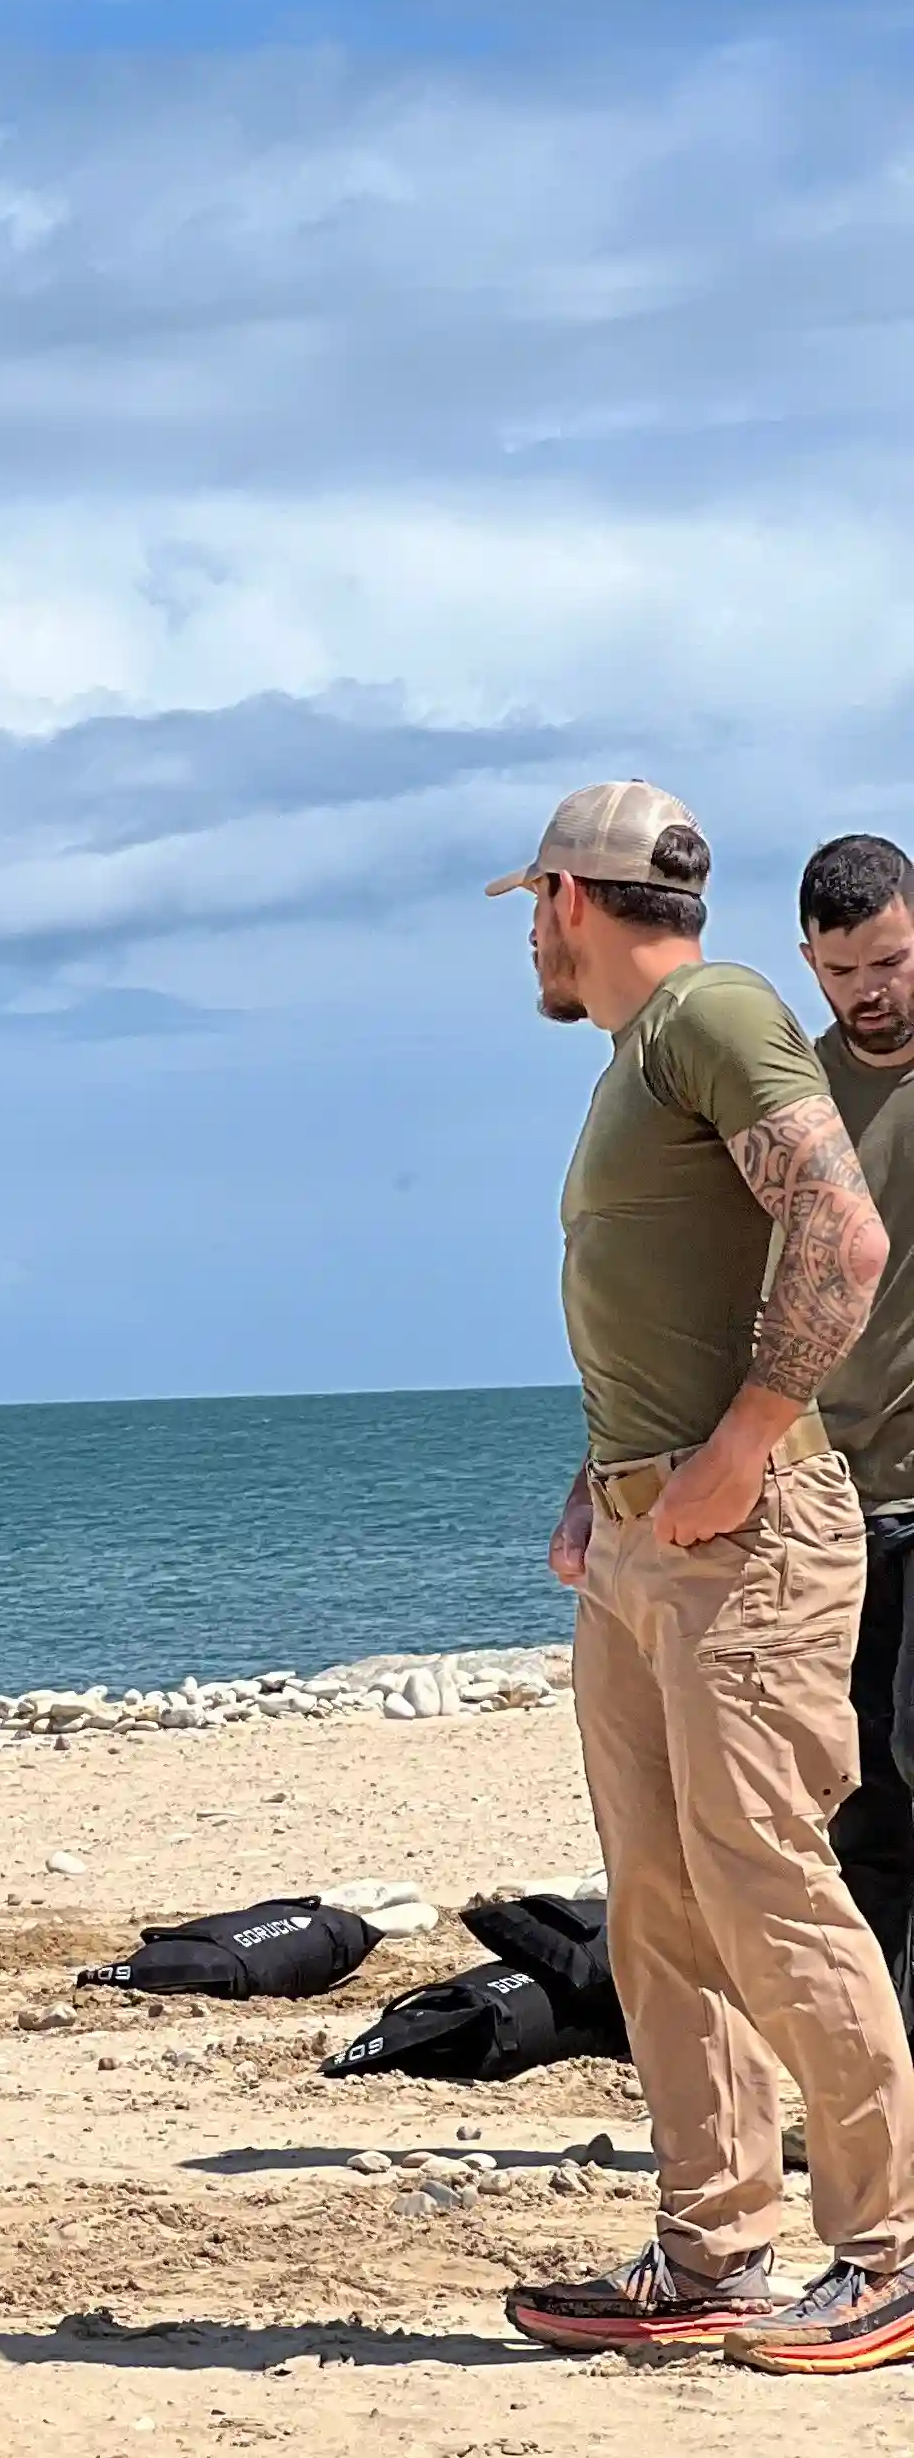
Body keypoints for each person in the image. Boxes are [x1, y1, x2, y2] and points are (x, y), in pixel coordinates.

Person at [488, 784, 914, 2374]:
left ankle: (890, 2248)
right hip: (649, 1539)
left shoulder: (712, 1012)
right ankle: (711, 2244)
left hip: (752, 1540)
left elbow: (841, 1228)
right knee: (658, 1901)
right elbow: (674, 1304)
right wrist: (601, 1490)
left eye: (533, 903)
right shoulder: (636, 1063)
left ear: (570, 898)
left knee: (766, 1883)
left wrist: (749, 1435)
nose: (529, 934)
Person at [796, 834, 914, 1998]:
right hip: (840, 1498)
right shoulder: (802, 1094)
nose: (870, 993)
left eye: (890, 962)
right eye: (844, 972)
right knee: (862, 1798)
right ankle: (878, 2106)